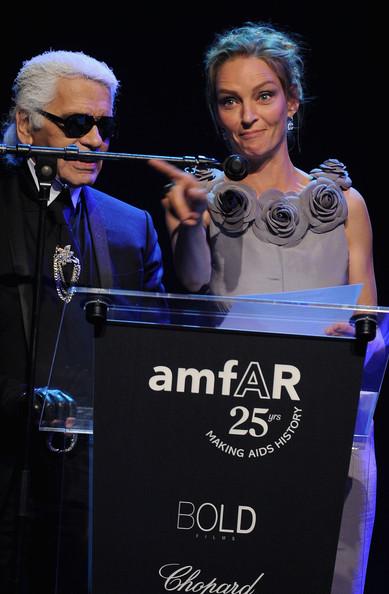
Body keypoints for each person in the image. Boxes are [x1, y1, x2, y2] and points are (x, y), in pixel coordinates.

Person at [150, 23, 377, 594]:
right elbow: (193, 279)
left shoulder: (345, 203)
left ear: (292, 101)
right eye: (230, 100)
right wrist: (190, 225)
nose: (247, 115)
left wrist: (353, 337)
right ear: (216, 111)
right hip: (233, 426)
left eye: (264, 95)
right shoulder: (201, 198)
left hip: (326, 422)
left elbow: (372, 321)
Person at [0, 50, 164, 593]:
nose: (96, 140)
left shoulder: (130, 226)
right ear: (26, 122)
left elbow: (153, 350)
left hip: (85, 489)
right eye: (78, 124)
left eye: (105, 125)